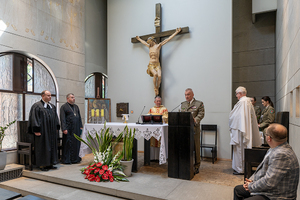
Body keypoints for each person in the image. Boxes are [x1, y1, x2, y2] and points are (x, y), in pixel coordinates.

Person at [233, 123, 299, 200]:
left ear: (269, 138)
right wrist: (253, 181)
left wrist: (251, 186)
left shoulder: (281, 155)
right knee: (238, 190)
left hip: (278, 196)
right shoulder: (277, 147)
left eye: (266, 134)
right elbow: (263, 170)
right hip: (272, 190)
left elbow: (269, 182)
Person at [136, 27, 182, 96]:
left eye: (150, 42)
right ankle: (155, 88)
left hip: (157, 65)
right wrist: (139, 39)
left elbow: (167, 39)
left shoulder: (158, 46)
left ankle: (157, 87)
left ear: (153, 41)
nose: (149, 43)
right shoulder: (149, 47)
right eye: (148, 42)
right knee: (155, 75)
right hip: (151, 64)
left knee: (159, 76)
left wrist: (176, 32)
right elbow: (143, 43)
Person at [229, 86, 261, 175]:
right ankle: (243, 167)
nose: (236, 96)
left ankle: (240, 169)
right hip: (244, 128)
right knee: (242, 149)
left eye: (236, 94)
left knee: (240, 150)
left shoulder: (242, 102)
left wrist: (230, 120)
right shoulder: (248, 101)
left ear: (240, 93)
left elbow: (236, 117)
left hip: (240, 130)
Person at [28, 90, 60, 171]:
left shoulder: (52, 106)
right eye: (48, 95)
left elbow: (56, 118)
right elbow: (34, 118)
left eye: (50, 95)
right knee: (43, 146)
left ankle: (50, 163)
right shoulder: (37, 106)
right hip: (43, 131)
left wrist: (56, 127)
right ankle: (42, 165)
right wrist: (36, 130)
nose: (50, 97)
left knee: (51, 146)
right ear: (43, 96)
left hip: (51, 131)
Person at [181, 88, 205, 174]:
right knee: (186, 147)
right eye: (185, 95)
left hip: (194, 129)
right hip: (185, 130)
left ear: (192, 95)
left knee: (196, 147)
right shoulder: (183, 104)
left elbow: (201, 114)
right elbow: (180, 114)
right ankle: (187, 164)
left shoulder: (199, 103)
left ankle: (197, 166)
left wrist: (196, 119)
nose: (186, 96)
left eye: (188, 94)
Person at [60, 93, 83, 164]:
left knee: (76, 143)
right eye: (72, 97)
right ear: (68, 98)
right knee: (68, 144)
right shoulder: (64, 107)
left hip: (76, 128)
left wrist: (81, 126)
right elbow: (62, 118)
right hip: (68, 128)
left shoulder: (76, 107)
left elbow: (79, 117)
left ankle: (75, 159)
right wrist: (64, 128)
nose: (74, 98)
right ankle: (67, 160)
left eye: (74, 97)